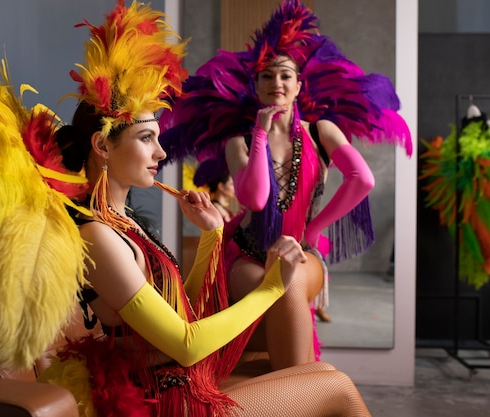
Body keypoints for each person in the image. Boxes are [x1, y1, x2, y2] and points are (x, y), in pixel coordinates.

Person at [35, 2, 372, 416]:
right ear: (103, 146)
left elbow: (181, 313)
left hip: (184, 378)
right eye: (146, 138)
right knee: (334, 386)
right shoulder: (98, 236)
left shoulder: (121, 224)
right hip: (170, 399)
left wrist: (212, 235)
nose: (161, 151)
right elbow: (186, 343)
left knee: (318, 372)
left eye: (157, 137)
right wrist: (271, 285)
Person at [159, 0, 412, 371]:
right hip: (249, 253)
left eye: (285, 76)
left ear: (298, 86)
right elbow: (255, 198)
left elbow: (363, 179)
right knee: (271, 285)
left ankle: (293, 397)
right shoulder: (239, 142)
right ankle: (297, 392)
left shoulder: (321, 132)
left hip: (304, 250)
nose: (276, 83)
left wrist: (316, 228)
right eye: (266, 76)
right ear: (256, 86)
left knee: (290, 284)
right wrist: (260, 132)